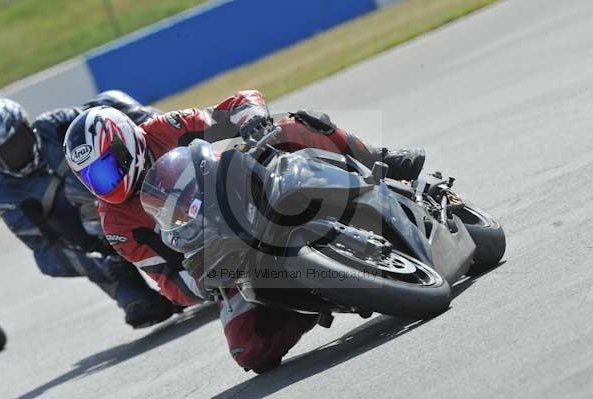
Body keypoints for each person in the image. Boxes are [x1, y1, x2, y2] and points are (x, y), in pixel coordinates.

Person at [62, 89, 425, 371]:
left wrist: (250, 118)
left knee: (291, 125)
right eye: (92, 179)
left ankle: (381, 160)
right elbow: (165, 280)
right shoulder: (115, 222)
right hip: (222, 255)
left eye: (108, 169)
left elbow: (233, 105)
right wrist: (198, 283)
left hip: (244, 189)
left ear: (127, 142)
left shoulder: (162, 129)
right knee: (249, 351)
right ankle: (308, 302)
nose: (105, 185)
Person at [0, 92, 178, 328]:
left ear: (27, 129)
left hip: (127, 193)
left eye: (13, 145)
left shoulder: (57, 124)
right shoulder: (8, 196)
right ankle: (141, 288)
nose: (10, 158)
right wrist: (95, 263)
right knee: (145, 310)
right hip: (94, 245)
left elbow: (107, 127)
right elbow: (45, 254)